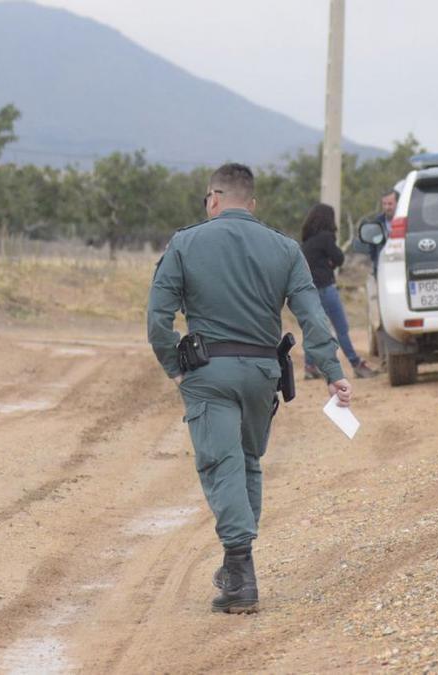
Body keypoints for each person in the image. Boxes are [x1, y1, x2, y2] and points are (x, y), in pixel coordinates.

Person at [147, 163, 353, 614]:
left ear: (214, 199)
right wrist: (332, 368)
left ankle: (240, 575)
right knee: (246, 463)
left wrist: (173, 367)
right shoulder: (284, 248)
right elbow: (312, 315)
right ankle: (237, 563)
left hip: (209, 373)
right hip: (263, 374)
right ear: (253, 203)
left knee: (221, 465)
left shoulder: (185, 243)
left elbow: (158, 318)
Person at [299, 203, 379, 380]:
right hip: (326, 289)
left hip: (309, 291)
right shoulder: (326, 237)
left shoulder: (307, 242)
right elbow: (340, 258)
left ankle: (309, 366)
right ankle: (355, 363)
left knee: (313, 330)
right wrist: (331, 263)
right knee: (341, 328)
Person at [368, 189, 398, 273]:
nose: (386, 207)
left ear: (397, 203)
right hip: (382, 268)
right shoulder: (376, 223)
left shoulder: (404, 220)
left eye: (390, 204)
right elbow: (372, 247)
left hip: (400, 266)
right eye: (384, 204)